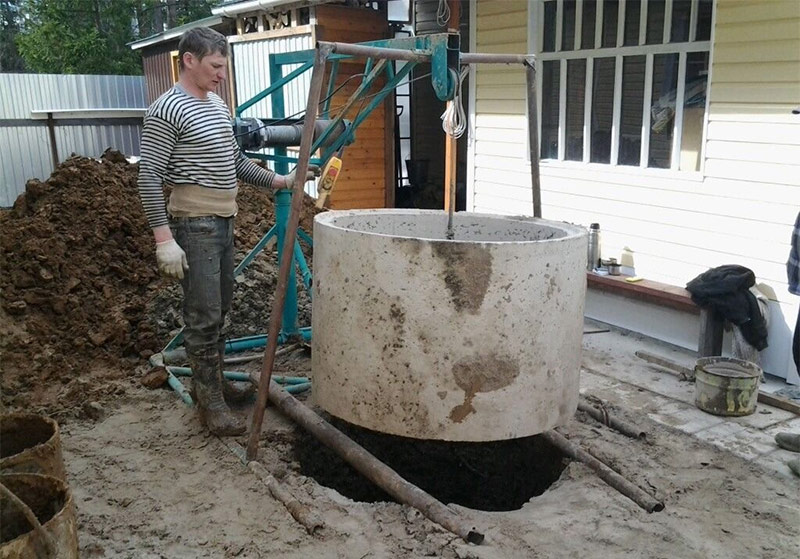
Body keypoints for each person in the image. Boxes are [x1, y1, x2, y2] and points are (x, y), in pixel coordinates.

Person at [137, 27, 316, 436]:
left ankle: (212, 387)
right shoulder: (167, 109)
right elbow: (148, 177)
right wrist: (163, 238)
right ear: (189, 60)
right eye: (216, 66)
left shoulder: (216, 105)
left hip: (223, 220)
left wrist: (281, 182)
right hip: (193, 224)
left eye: (224, 67)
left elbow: (235, 162)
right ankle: (211, 406)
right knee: (203, 316)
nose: (222, 75)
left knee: (219, 311)